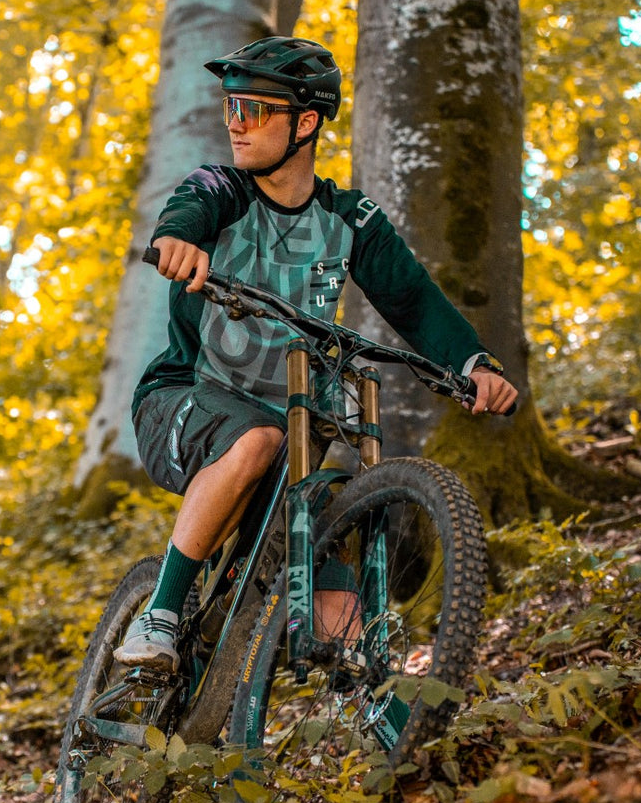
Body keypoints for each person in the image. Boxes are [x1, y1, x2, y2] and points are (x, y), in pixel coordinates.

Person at [114, 36, 519, 671]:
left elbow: (412, 299)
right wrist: (177, 240)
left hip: (290, 440)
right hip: (184, 401)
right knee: (257, 439)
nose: (236, 124)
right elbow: (190, 207)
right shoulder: (222, 189)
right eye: (230, 108)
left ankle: (383, 712)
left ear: (305, 123)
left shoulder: (350, 220)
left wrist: (472, 364)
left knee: (339, 598)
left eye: (253, 110)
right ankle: (160, 611)